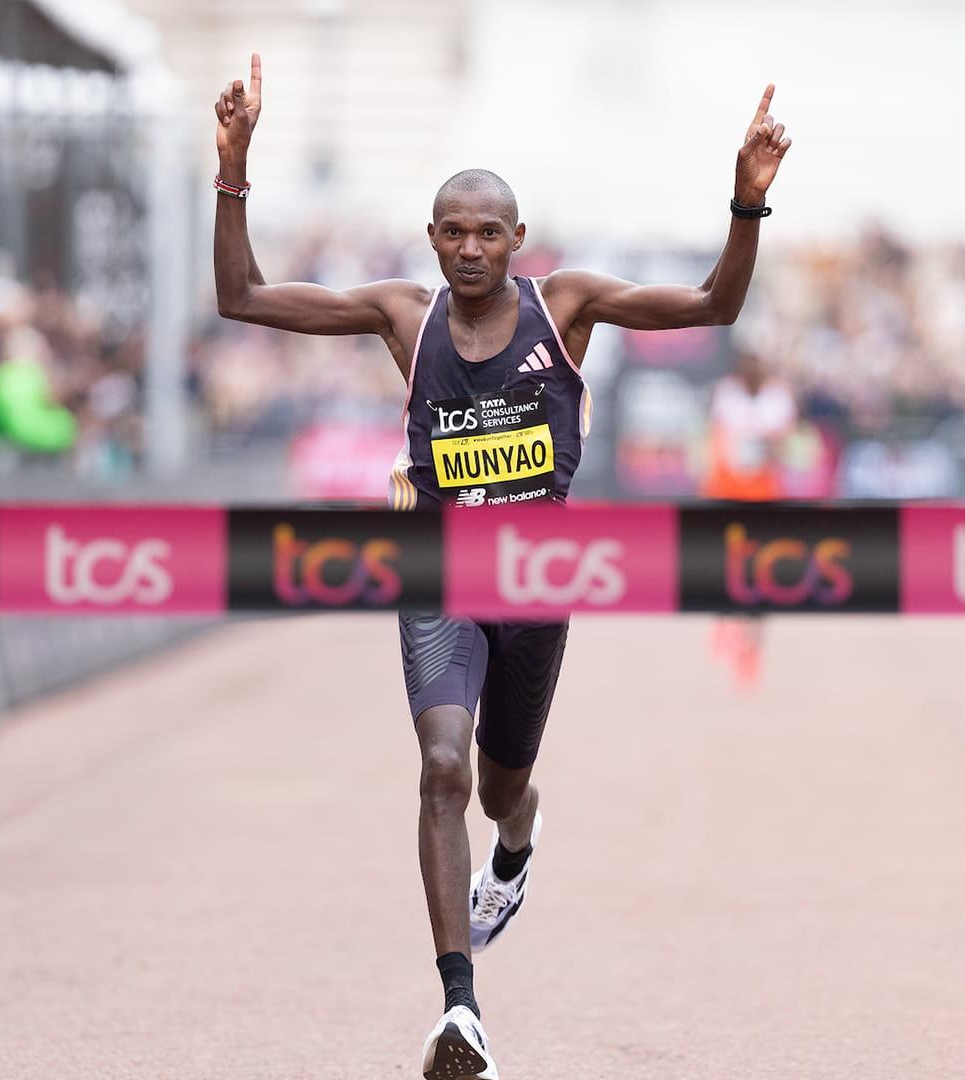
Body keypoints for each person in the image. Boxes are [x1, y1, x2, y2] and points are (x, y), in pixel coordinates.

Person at [212, 54, 791, 1079]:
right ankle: (460, 1010)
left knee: (497, 786)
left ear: (517, 241)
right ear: (432, 240)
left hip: (537, 586)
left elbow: (711, 307)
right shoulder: (405, 316)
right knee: (440, 768)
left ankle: (516, 851)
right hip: (436, 576)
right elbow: (243, 298)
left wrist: (746, 204)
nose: (470, 247)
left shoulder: (563, 307)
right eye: (453, 231)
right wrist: (234, 168)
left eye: (488, 231)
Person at [700, 347, 796, 687]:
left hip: (764, 496)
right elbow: (715, 440)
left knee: (763, 575)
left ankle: (750, 650)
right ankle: (725, 624)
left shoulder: (778, 398)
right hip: (729, 492)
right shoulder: (727, 395)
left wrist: (768, 445)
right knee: (728, 566)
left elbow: (786, 446)